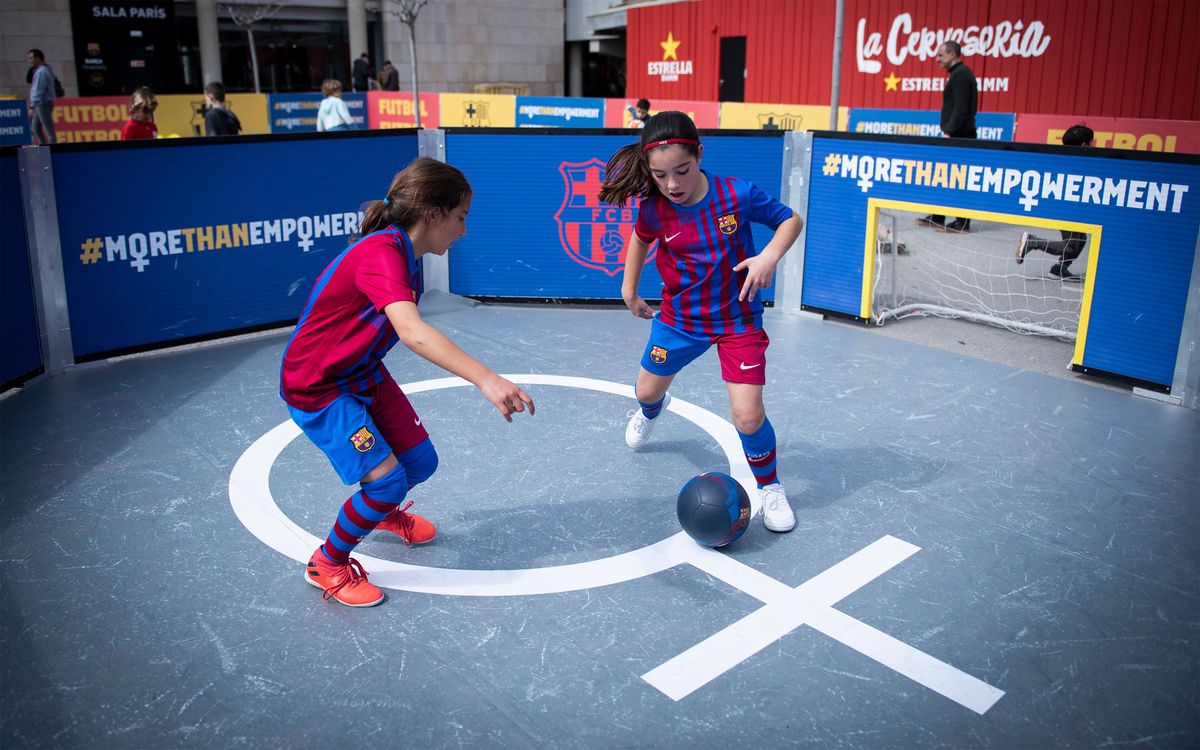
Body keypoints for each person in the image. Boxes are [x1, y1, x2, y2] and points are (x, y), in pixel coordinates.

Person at [280, 156, 536, 607]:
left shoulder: (404, 252)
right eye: (461, 217)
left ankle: (378, 514)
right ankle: (327, 562)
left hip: (360, 371)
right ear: (433, 214)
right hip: (319, 386)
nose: (463, 230)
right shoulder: (381, 252)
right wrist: (487, 379)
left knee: (419, 464)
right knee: (385, 483)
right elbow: (413, 332)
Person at [598, 111, 804, 533]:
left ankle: (771, 487)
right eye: (660, 175)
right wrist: (629, 289)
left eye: (682, 171)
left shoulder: (737, 195)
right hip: (679, 322)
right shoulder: (655, 209)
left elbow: (790, 220)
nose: (672, 184)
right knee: (645, 391)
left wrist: (769, 256)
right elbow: (640, 239)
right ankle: (653, 411)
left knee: (748, 417)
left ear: (699, 156)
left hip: (738, 320)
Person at [1015, 125, 1094, 280]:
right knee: (1073, 244)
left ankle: (1060, 268)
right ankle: (1033, 242)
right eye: (1092, 143)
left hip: (1061, 207)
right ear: (1085, 145)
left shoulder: (1061, 157)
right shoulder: (1081, 162)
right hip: (1068, 209)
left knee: (1079, 240)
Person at [917, 40, 977, 233]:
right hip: (958, 134)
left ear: (953, 54)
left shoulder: (961, 75)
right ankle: (938, 217)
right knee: (944, 176)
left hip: (961, 136)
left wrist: (948, 132)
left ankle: (962, 222)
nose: (937, 59)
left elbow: (960, 109)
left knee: (959, 179)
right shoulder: (958, 74)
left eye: (941, 55)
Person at [27, 48, 57, 145]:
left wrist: (32, 106)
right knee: (35, 128)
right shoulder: (42, 70)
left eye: (31, 58)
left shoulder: (42, 72)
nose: (30, 61)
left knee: (49, 130)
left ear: (38, 58)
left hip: (43, 104)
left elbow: (39, 90)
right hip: (40, 104)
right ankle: (44, 147)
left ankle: (53, 149)